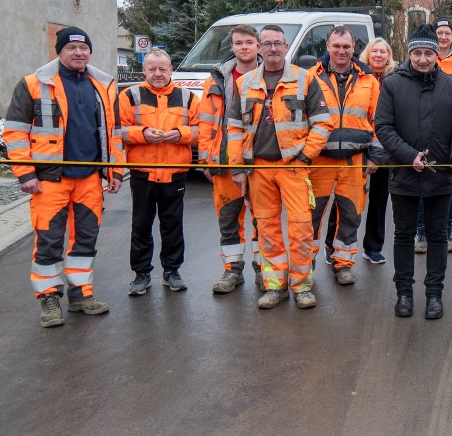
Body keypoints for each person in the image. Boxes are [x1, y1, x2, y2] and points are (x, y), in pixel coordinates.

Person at [4, 26, 123, 328]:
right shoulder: (33, 84)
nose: (79, 53)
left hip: (89, 179)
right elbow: (16, 133)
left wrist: (115, 170)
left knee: (86, 240)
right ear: (59, 51)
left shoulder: (103, 86)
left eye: (84, 48)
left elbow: (114, 134)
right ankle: (49, 298)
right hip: (49, 180)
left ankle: (81, 294)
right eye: (71, 48)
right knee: (49, 241)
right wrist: (26, 173)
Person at [226, 24, 333, 310]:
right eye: (268, 43)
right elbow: (235, 128)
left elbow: (323, 122)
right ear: (259, 48)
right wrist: (237, 168)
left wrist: (305, 157)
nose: (273, 48)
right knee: (268, 229)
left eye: (278, 43)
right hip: (258, 168)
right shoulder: (244, 83)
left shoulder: (305, 79)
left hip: (294, 167)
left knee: (301, 228)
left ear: (286, 47)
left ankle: (302, 286)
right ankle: (276, 286)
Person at [375, 24, 452, 319]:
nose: (422, 59)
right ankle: (404, 292)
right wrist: (408, 155)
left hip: (440, 175)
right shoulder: (392, 84)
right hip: (403, 174)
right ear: (409, 53)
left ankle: (434, 294)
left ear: (437, 54)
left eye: (428, 53)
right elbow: (383, 127)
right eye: (417, 53)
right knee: (403, 235)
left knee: (437, 236)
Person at [119, 48, 200, 296]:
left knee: (172, 224)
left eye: (162, 69)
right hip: (142, 172)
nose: (157, 73)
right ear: (144, 70)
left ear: (170, 69)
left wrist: (182, 134)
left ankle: (172, 271)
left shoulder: (187, 97)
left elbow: (199, 131)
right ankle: (141, 274)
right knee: (141, 225)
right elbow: (118, 131)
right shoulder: (129, 95)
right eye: (152, 69)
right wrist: (141, 134)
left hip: (174, 172)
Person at [308, 26, 383, 287]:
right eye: (336, 46)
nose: (341, 51)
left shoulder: (369, 80)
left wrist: (375, 156)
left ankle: (343, 264)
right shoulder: (310, 77)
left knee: (351, 215)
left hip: (355, 161)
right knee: (310, 216)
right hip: (318, 161)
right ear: (327, 46)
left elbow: (379, 122)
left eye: (347, 46)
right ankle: (306, 265)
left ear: (354, 48)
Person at [199, 24, 263, 294]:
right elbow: (206, 121)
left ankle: (263, 270)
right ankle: (232, 271)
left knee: (264, 220)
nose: (244, 47)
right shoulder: (216, 79)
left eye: (249, 42)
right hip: (225, 159)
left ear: (257, 46)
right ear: (232, 47)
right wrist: (206, 160)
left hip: (261, 160)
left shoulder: (271, 75)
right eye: (239, 43)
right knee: (228, 219)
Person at [410, 16, 452, 254]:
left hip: (445, 141)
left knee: (448, 189)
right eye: (439, 32)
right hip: (419, 140)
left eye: (447, 32)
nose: (443, 36)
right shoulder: (415, 63)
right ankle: (422, 232)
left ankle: (446, 231)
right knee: (420, 189)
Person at [350, 37, 396, 265]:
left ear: (389, 56)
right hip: (356, 146)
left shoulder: (395, 80)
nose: (378, 55)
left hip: (385, 148)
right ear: (367, 54)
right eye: (374, 51)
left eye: (383, 51)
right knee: (347, 201)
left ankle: (373, 247)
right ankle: (334, 245)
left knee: (379, 201)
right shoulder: (356, 76)